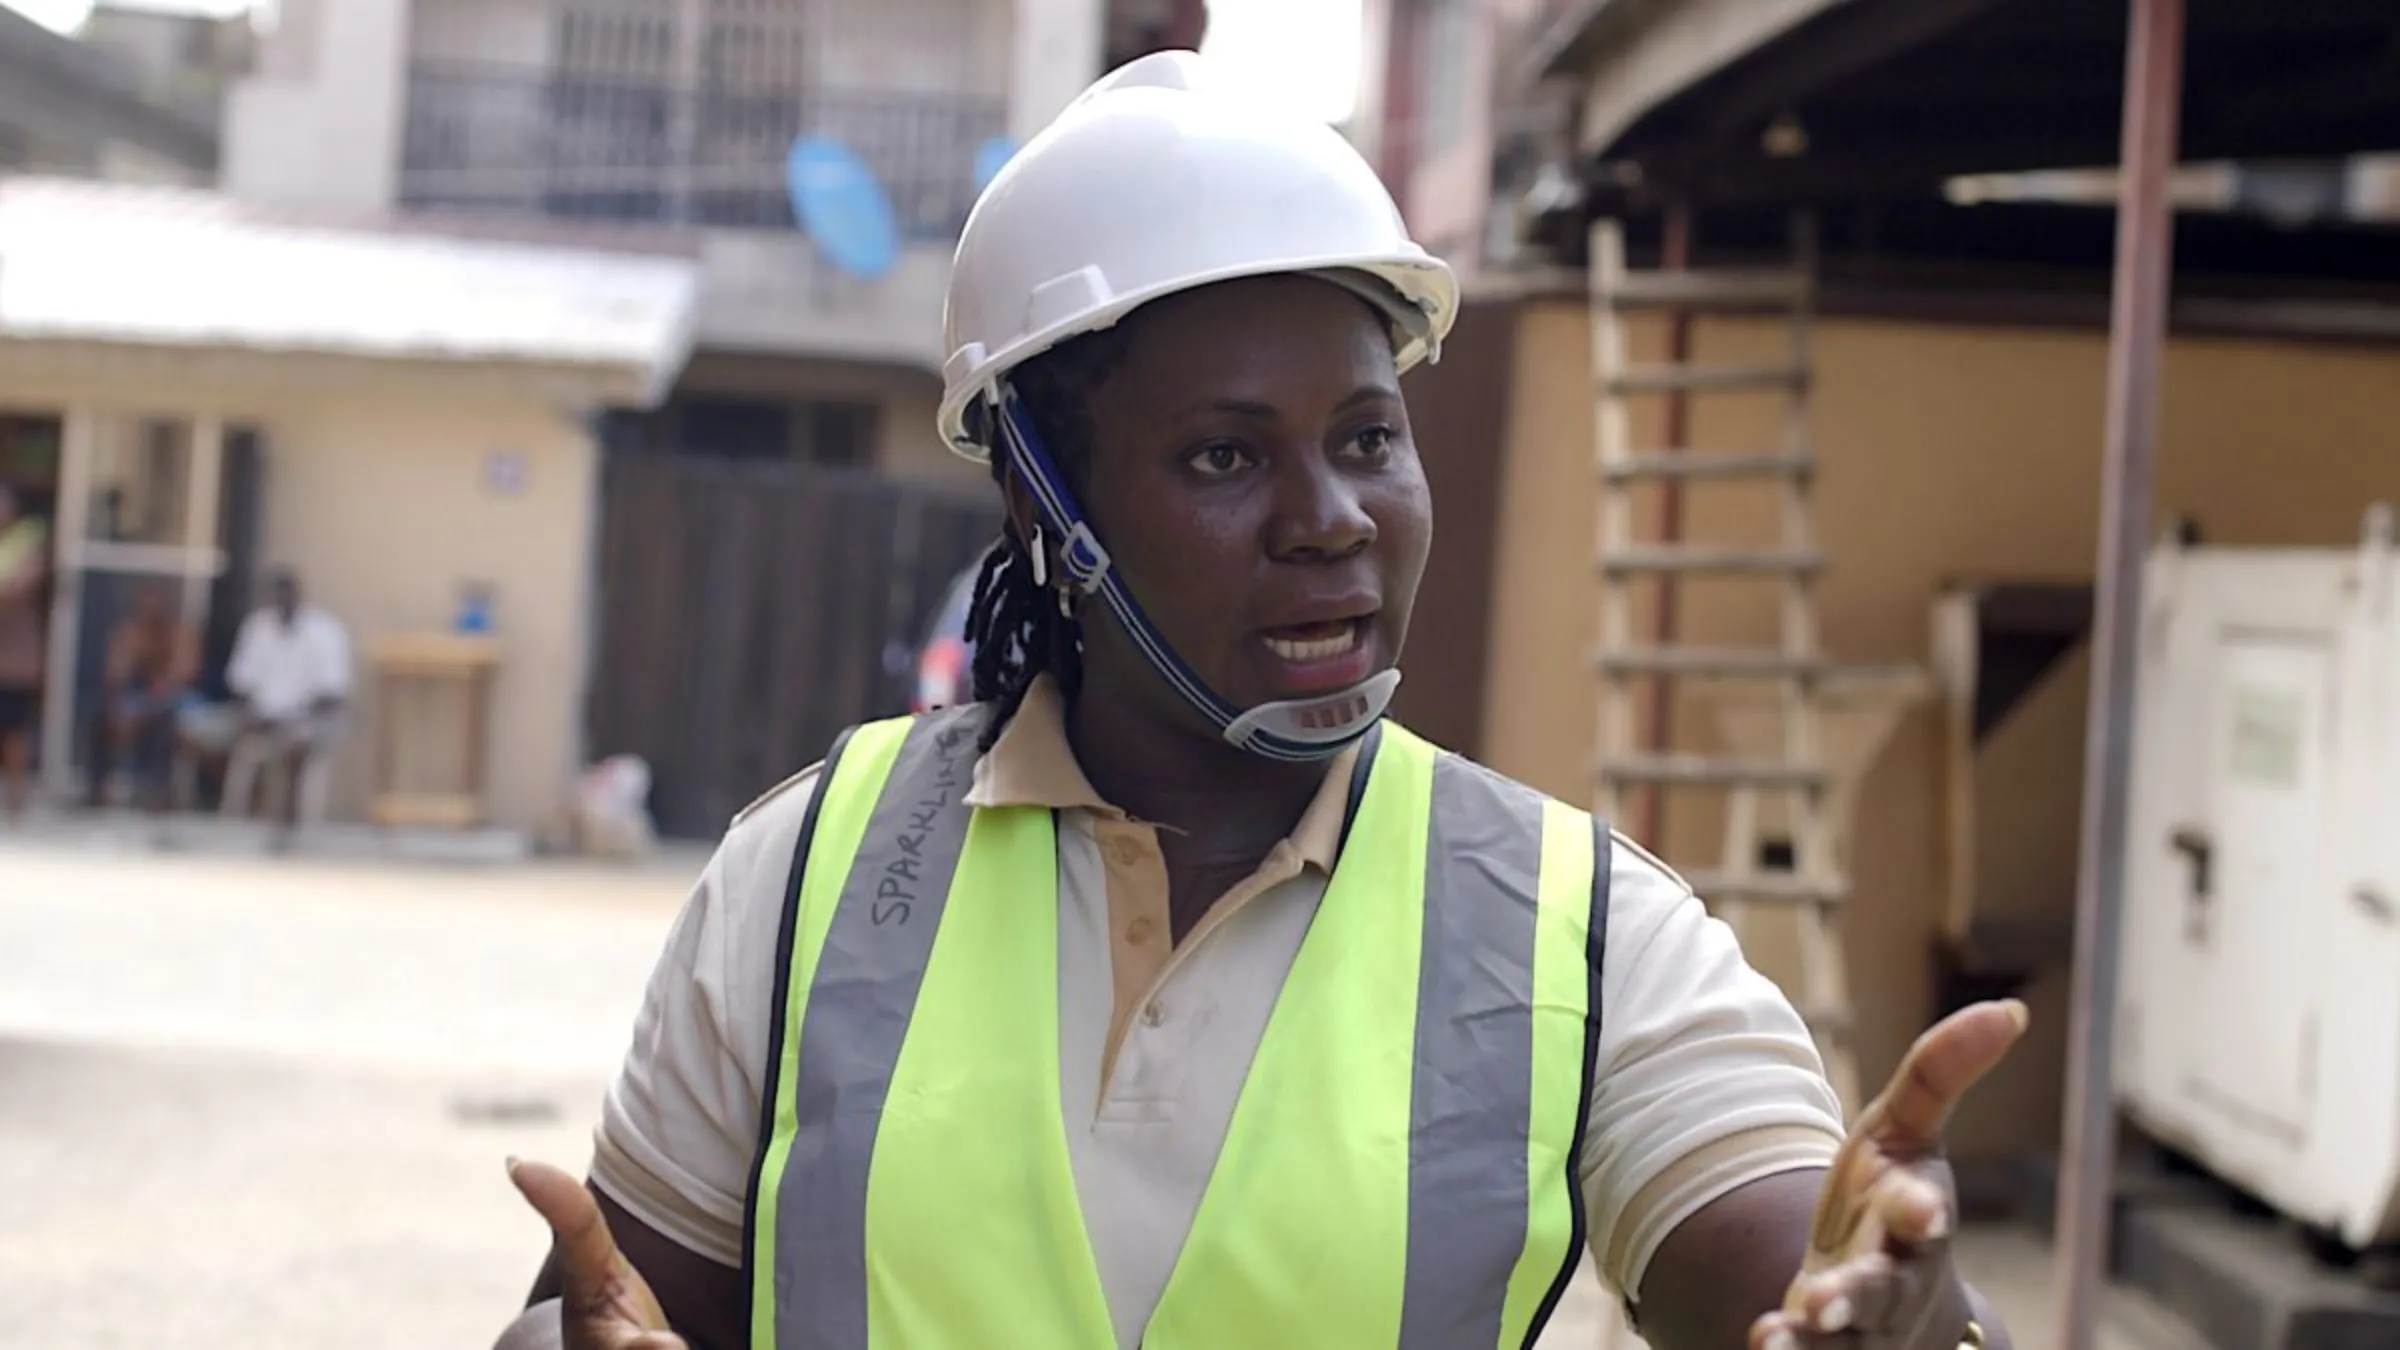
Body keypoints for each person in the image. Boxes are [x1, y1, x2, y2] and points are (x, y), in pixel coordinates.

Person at [497, 53, 2026, 1350]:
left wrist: (1909, 1296)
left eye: (1368, 437)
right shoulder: (807, 878)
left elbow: (1810, 1263)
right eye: (1226, 455)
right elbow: (604, 1302)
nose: (1332, 517)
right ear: (1046, 508)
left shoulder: (1582, 931)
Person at [220, 569, 351, 832]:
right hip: (265, 719)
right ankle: (240, 821)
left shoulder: (324, 631)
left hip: (309, 720)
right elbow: (241, 683)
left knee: (297, 742)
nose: (280, 601)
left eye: (285, 594)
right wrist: (253, 713)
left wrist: (293, 717)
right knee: (223, 735)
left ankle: (292, 821)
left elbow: (333, 693)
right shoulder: (258, 627)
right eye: (274, 596)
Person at [86, 582, 201, 813]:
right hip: (137, 698)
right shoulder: (129, 631)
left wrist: (151, 700)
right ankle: (96, 792)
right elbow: (115, 674)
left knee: (163, 725)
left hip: (178, 701)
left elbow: (183, 674)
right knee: (100, 719)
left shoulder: (181, 632)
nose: (152, 611)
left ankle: (156, 795)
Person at [0, 483, 49, 820]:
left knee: (13, 729)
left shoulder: (28, 542)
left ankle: (17, 799)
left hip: (12, 660)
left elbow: (19, 589)